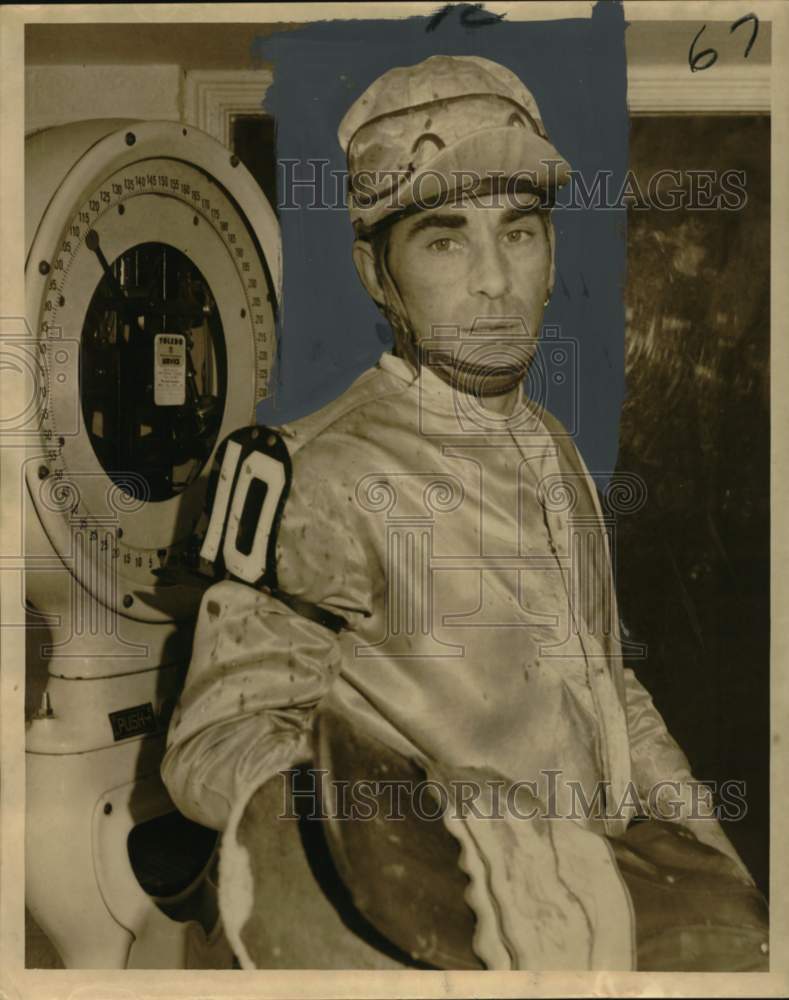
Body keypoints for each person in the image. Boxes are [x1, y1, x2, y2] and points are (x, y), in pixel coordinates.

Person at [161, 55, 763, 970]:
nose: (493, 281)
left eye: (519, 233)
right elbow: (213, 745)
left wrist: (711, 855)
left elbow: (604, 686)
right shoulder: (312, 471)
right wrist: (438, 833)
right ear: (376, 271)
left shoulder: (549, 446)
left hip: (596, 912)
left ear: (552, 253)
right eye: (445, 240)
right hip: (438, 943)